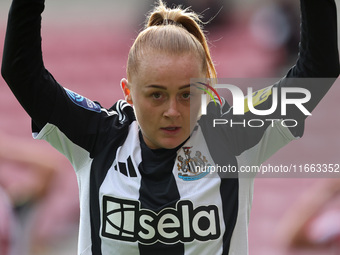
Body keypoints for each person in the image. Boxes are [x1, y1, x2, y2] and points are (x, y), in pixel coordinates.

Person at [1, 0, 339, 254]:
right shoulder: (98, 136)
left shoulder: (235, 135)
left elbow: (318, 68)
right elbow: (21, 70)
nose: (172, 111)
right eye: (156, 95)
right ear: (128, 93)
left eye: (187, 94)